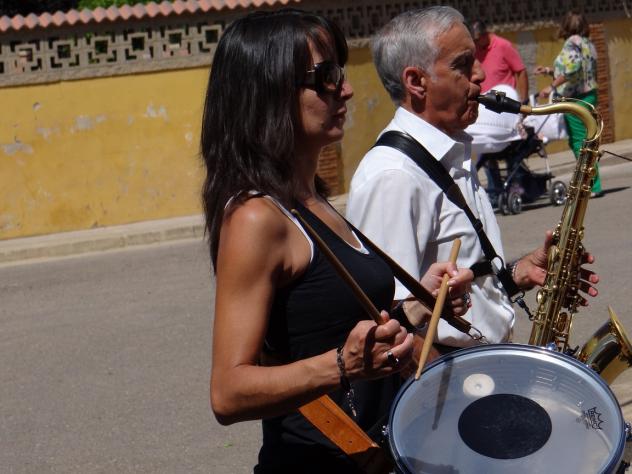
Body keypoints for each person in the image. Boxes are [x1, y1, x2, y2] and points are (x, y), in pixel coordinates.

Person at [203, 9, 471, 473]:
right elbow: (228, 392)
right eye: (325, 77)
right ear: (270, 91)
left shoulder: (313, 201)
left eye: (340, 74)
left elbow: (326, 325)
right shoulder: (256, 217)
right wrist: (341, 366)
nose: (344, 90)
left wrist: (418, 307)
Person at [346, 6, 599, 354]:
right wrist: (469, 385)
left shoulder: (450, 151)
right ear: (416, 82)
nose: (480, 74)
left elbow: (459, 284)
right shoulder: (393, 177)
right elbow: (389, 330)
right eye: (463, 64)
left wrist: (520, 272)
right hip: (459, 378)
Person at [534, 10, 602, 197]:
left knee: (581, 143)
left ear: (565, 25)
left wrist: (551, 86)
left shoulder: (572, 42)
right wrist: (549, 71)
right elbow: (578, 70)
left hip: (578, 98)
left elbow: (572, 69)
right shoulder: (587, 43)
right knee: (582, 141)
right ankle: (591, 184)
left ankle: (591, 186)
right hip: (589, 95)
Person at [471, 19, 528, 102]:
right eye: (473, 40)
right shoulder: (474, 51)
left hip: (504, 101)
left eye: (477, 40)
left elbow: (521, 72)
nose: (474, 43)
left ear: (485, 34)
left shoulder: (503, 45)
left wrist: (524, 99)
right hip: (484, 103)